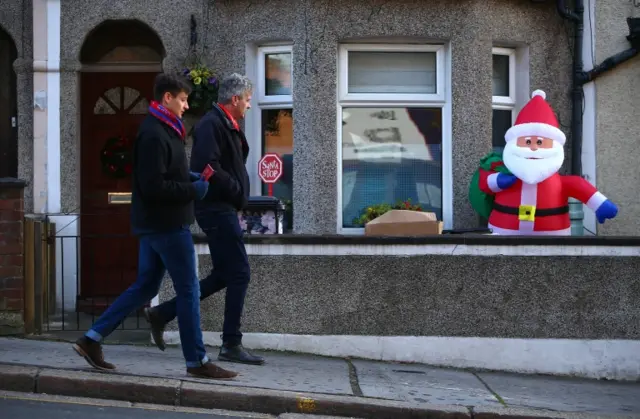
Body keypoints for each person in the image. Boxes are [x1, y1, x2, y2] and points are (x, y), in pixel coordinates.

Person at [72, 73, 238, 380]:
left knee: (146, 286)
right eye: (183, 99)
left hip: (157, 225)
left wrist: (189, 178)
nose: (187, 105)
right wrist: (194, 190)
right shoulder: (153, 134)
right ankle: (197, 360)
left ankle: (91, 339)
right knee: (189, 290)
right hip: (167, 225)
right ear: (167, 98)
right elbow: (152, 186)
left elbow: (167, 174)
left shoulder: (166, 129)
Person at [144, 73, 264, 365]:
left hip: (222, 208)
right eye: (248, 100)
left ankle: (162, 313)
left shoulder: (226, 124)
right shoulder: (212, 124)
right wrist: (235, 190)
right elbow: (206, 166)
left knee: (225, 274)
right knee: (240, 273)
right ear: (235, 99)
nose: (249, 106)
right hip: (215, 209)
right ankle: (231, 344)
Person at [479, 89, 618, 235]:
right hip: (503, 233)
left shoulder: (560, 182)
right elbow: (483, 183)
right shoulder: (506, 172)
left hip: (552, 238)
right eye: (527, 142)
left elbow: (578, 185)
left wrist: (600, 204)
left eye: (540, 142)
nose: (533, 148)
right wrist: (497, 181)